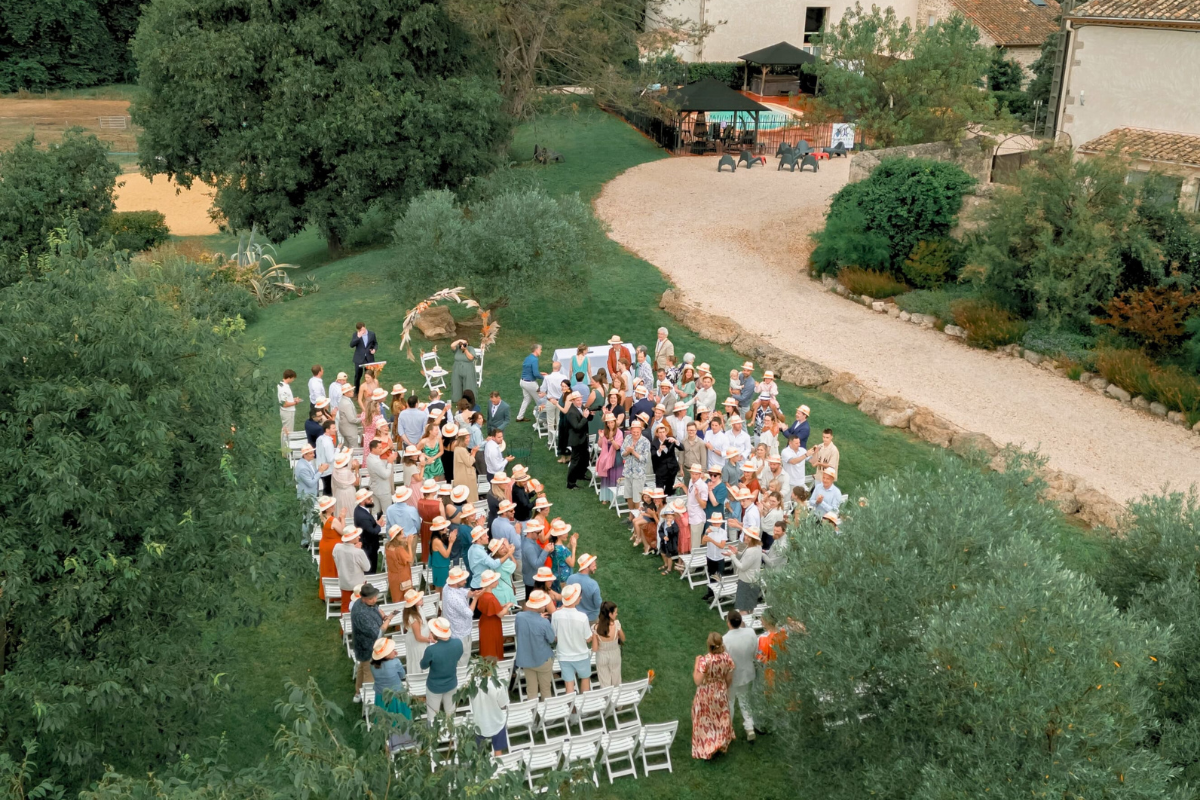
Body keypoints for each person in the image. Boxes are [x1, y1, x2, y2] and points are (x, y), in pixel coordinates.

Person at [692, 631, 736, 760]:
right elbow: (729, 678)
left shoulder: (704, 661)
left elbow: (697, 681)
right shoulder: (727, 658)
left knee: (705, 719)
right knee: (720, 717)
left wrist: (696, 665)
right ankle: (720, 741)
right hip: (720, 690)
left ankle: (708, 745)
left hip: (706, 693)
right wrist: (724, 688)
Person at [351, 583, 395, 703]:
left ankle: (358, 693)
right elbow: (377, 634)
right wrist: (389, 619)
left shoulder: (363, 603)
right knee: (369, 674)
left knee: (362, 668)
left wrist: (382, 615)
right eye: (371, 598)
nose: (374, 599)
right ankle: (369, 703)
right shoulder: (361, 614)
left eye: (375, 596)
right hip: (367, 647)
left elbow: (375, 608)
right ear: (363, 598)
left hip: (364, 645)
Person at [723, 610, 759, 742]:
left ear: (729, 623)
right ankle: (749, 728)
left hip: (732, 676)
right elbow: (755, 651)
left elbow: (725, 662)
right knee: (744, 700)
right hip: (748, 672)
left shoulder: (725, 640)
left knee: (730, 701)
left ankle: (727, 729)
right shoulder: (750, 633)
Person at [420, 617, 463, 724]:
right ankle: (451, 736)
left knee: (432, 715)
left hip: (434, 686)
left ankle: (432, 737)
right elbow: (458, 656)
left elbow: (423, 665)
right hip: (451, 683)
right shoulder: (458, 643)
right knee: (450, 712)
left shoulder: (431, 650)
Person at [515, 590, 557, 701]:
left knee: (531, 690)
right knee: (546, 690)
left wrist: (538, 617)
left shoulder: (519, 617)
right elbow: (551, 639)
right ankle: (547, 715)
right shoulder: (544, 622)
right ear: (541, 606)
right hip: (543, 659)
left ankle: (532, 713)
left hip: (527, 659)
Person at [552, 584, 593, 693]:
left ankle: (572, 708)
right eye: (579, 596)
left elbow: (554, 637)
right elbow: (588, 638)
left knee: (568, 685)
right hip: (581, 655)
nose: (581, 597)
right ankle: (584, 707)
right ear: (575, 600)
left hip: (564, 655)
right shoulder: (583, 617)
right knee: (585, 680)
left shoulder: (555, 615)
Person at [369, 637, 414, 735]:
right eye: (392, 650)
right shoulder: (395, 662)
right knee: (402, 718)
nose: (395, 651)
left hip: (381, 696)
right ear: (386, 655)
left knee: (383, 719)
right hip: (397, 696)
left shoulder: (372, 665)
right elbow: (402, 675)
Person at [471, 658, 512, 756]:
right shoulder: (497, 684)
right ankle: (498, 765)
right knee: (498, 750)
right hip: (496, 721)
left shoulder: (473, 684)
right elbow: (503, 704)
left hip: (479, 723)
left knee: (478, 752)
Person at [441, 567, 475, 667]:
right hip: (460, 632)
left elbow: (462, 591)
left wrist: (471, 594)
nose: (465, 581)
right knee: (462, 660)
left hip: (456, 629)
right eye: (463, 579)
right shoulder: (454, 598)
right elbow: (469, 613)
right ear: (456, 582)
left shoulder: (448, 586)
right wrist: (475, 599)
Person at [724, 527, 763, 612]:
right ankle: (749, 622)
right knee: (750, 606)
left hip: (746, 581)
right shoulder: (757, 547)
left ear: (753, 539)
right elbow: (746, 558)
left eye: (749, 537)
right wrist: (737, 552)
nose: (746, 537)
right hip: (754, 579)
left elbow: (742, 567)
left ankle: (743, 623)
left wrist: (732, 556)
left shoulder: (751, 551)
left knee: (742, 608)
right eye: (746, 535)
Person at [477, 570, 513, 660]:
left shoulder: (482, 594)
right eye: (496, 580)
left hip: (485, 622)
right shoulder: (491, 598)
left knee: (486, 646)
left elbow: (490, 608)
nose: (497, 582)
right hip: (492, 624)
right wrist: (507, 606)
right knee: (492, 647)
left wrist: (501, 606)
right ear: (491, 583)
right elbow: (500, 614)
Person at [621, 421, 651, 520]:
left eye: (637, 431)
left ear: (641, 430)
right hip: (628, 472)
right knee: (628, 495)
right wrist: (627, 451)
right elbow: (622, 453)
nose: (635, 433)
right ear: (631, 431)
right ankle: (631, 516)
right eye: (634, 431)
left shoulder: (645, 442)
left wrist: (633, 452)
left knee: (637, 496)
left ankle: (637, 518)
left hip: (639, 473)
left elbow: (644, 459)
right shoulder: (627, 438)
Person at [591, 601, 624, 687]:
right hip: (615, 655)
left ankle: (607, 699)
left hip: (601, 657)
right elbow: (623, 638)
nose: (616, 614)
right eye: (615, 612)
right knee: (616, 679)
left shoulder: (596, 628)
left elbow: (594, 648)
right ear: (610, 614)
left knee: (605, 682)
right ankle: (616, 698)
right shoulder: (616, 625)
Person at [564, 391, 592, 490]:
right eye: (578, 400)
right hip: (576, 440)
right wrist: (584, 417)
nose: (580, 402)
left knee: (585, 458)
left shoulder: (582, 407)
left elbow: (588, 419)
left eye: (580, 400)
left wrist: (590, 415)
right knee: (575, 461)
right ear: (573, 401)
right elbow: (577, 427)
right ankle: (570, 483)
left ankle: (581, 474)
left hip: (583, 438)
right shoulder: (571, 412)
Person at [401, 589, 431, 675]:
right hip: (418, 642)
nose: (422, 599)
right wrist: (430, 640)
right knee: (419, 659)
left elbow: (425, 623)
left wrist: (430, 634)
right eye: (419, 599)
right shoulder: (414, 618)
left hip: (424, 637)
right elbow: (418, 637)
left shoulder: (419, 609)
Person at [316, 496, 341, 600]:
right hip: (333, 547)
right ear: (327, 509)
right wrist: (343, 518)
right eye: (331, 506)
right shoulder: (333, 520)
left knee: (325, 569)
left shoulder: (321, 516)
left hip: (324, 545)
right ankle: (335, 595)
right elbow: (343, 532)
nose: (333, 507)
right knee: (334, 569)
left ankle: (325, 593)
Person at [353, 487, 383, 573]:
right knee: (370, 571)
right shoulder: (363, 516)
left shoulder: (360, 510)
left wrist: (375, 523)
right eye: (369, 499)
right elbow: (373, 532)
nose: (371, 500)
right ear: (362, 502)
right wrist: (378, 525)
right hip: (368, 548)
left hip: (368, 545)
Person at [596, 413, 624, 505]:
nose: (610, 424)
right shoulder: (604, 432)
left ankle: (615, 498)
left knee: (615, 477)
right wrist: (600, 437)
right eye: (608, 423)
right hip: (605, 457)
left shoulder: (619, 433)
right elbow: (600, 445)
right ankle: (606, 497)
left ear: (615, 422)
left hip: (616, 457)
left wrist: (611, 439)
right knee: (606, 477)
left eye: (612, 422)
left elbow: (617, 447)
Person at [565, 553, 601, 622]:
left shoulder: (570, 578)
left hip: (574, 617)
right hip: (590, 619)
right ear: (587, 567)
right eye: (594, 566)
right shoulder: (593, 584)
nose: (595, 568)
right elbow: (598, 604)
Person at [700, 513, 728, 603]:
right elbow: (703, 543)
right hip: (710, 556)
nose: (716, 525)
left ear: (720, 523)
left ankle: (719, 595)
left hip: (719, 558)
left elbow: (721, 546)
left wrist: (711, 540)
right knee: (711, 575)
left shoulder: (723, 532)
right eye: (714, 523)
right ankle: (711, 593)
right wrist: (706, 534)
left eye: (717, 523)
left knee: (718, 577)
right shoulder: (708, 531)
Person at [384, 523, 416, 598]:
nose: (404, 535)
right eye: (401, 534)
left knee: (396, 598)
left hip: (393, 576)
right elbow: (410, 559)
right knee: (406, 598)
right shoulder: (399, 550)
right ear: (396, 537)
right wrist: (409, 545)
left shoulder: (387, 546)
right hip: (403, 577)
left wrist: (404, 544)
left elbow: (399, 557)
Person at [521, 521, 554, 594]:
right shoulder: (529, 547)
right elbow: (536, 565)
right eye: (538, 533)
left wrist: (548, 551)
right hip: (532, 582)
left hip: (532, 580)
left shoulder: (531, 541)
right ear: (530, 532)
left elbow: (540, 553)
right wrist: (545, 551)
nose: (539, 535)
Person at [517, 343, 546, 422]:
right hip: (530, 384)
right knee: (540, 400)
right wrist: (544, 377)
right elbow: (535, 374)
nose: (541, 351)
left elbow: (529, 370)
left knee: (526, 399)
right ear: (536, 350)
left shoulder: (527, 358)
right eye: (540, 349)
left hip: (522, 382)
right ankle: (542, 419)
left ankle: (519, 417)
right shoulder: (535, 359)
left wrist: (540, 373)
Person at [417, 481, 444, 564]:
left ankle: (427, 561)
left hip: (425, 526)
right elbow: (443, 518)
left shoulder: (419, 502)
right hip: (437, 527)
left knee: (426, 545)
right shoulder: (438, 504)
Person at [651, 424, 682, 495]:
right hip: (660, 471)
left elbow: (682, 448)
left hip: (672, 470)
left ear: (666, 432)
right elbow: (653, 455)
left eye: (663, 432)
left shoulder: (671, 439)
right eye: (660, 432)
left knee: (669, 491)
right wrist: (659, 450)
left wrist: (676, 441)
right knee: (659, 492)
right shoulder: (654, 443)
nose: (662, 434)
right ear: (657, 433)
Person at [331, 450, 359, 522]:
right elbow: (356, 483)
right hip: (349, 493)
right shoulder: (347, 472)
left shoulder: (334, 471)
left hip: (339, 493)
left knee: (340, 511)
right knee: (350, 510)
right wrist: (357, 470)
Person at [294, 443, 320, 521]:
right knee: (307, 518)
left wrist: (319, 470)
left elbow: (313, 475)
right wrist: (320, 472)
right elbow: (310, 483)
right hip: (306, 496)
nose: (313, 455)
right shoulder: (302, 468)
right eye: (311, 453)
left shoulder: (308, 462)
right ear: (305, 455)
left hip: (311, 494)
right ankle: (306, 533)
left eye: (313, 452)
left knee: (310, 515)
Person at [349, 322, 378, 391]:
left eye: (363, 329)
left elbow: (375, 343)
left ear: (365, 327)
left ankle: (369, 390)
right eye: (360, 330)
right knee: (357, 376)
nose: (362, 331)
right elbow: (351, 345)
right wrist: (358, 337)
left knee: (370, 376)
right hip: (359, 358)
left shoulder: (372, 334)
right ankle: (356, 392)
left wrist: (374, 349)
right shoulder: (356, 335)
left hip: (369, 358)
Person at [449, 338, 478, 404]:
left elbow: (471, 358)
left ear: (467, 343)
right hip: (457, 368)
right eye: (461, 343)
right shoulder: (457, 349)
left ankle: (468, 400)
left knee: (468, 384)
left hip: (468, 368)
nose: (463, 345)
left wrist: (465, 350)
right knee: (456, 383)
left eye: (464, 343)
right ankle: (457, 399)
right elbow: (452, 346)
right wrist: (459, 340)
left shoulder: (470, 348)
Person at [428, 517, 454, 591]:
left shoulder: (439, 537)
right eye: (443, 528)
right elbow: (446, 555)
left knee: (442, 587)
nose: (446, 528)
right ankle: (440, 601)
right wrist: (451, 543)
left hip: (441, 566)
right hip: (440, 567)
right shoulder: (437, 541)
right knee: (442, 588)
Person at [452, 429, 478, 502]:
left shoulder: (459, 449)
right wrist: (474, 453)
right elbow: (469, 463)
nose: (468, 440)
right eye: (466, 438)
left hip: (464, 477)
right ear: (461, 439)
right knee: (470, 499)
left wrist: (471, 454)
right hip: (466, 479)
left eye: (468, 437)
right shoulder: (461, 450)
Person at [278, 369, 301, 449]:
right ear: (289, 378)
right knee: (288, 431)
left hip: (284, 411)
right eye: (293, 378)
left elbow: (285, 400)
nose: (293, 380)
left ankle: (284, 449)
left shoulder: (281, 385)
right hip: (288, 412)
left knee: (284, 429)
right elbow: (285, 404)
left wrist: (293, 399)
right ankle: (286, 450)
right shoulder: (284, 389)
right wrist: (295, 402)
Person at [657, 504, 680, 576]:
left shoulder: (675, 526)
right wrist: (663, 536)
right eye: (667, 517)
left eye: (670, 517)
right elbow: (660, 531)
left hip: (671, 543)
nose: (669, 519)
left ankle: (669, 569)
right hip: (664, 542)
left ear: (673, 518)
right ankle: (665, 564)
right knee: (663, 553)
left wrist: (670, 527)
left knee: (669, 556)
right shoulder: (663, 524)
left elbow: (673, 533)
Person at [337, 386, 362, 451]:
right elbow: (352, 419)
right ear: (345, 393)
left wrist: (357, 415)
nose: (353, 392)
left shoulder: (344, 400)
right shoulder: (346, 403)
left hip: (345, 429)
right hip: (350, 430)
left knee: (346, 448)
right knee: (354, 448)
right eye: (350, 391)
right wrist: (362, 419)